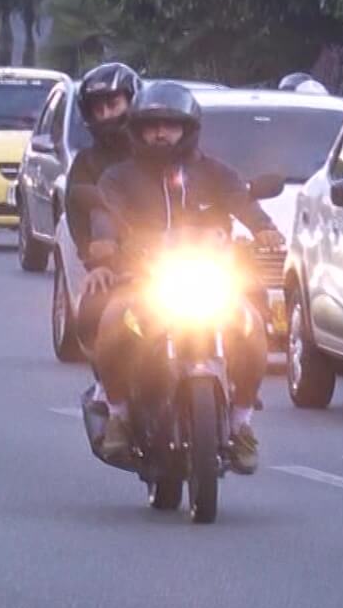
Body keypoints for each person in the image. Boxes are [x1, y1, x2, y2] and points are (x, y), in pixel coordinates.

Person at [81, 81, 282, 474]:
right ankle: (119, 412)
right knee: (112, 320)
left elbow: (245, 202)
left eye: (170, 125)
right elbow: (104, 212)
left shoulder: (216, 174)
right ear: (137, 129)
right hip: (143, 280)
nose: (160, 133)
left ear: (187, 129)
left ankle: (242, 422)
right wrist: (104, 243)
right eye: (151, 125)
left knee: (253, 324)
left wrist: (265, 229)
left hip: (212, 277)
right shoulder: (119, 177)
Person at [61, 62, 140, 466]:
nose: (108, 114)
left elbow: (203, 202)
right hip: (117, 270)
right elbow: (79, 215)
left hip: (173, 265)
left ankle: (239, 413)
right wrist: (98, 258)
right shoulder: (88, 166)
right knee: (94, 315)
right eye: (99, 108)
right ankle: (112, 401)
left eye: (114, 103)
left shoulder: (166, 155)